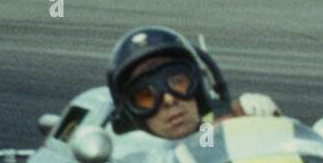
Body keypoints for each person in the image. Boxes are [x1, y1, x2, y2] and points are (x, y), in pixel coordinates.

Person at [106, 25, 280, 140]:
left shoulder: (208, 131)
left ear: (198, 87)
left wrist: (262, 129)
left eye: (176, 82)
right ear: (131, 111)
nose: (169, 99)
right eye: (146, 95)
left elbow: (206, 149)